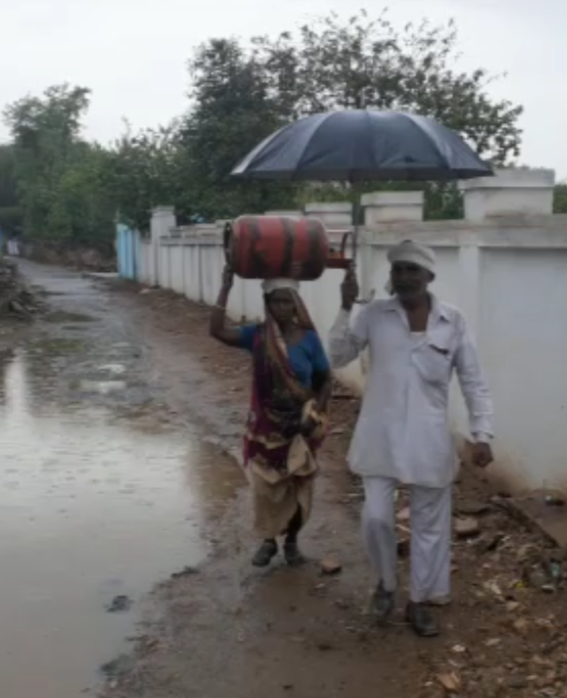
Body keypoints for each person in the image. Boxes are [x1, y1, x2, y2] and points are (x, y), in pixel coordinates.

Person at [327, 240, 495, 637]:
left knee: (431, 525)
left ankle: (419, 600)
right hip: (379, 435)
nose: (403, 277)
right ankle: (385, 583)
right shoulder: (373, 315)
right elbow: (336, 357)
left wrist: (482, 432)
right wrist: (345, 307)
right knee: (376, 518)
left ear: (428, 277)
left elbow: (473, 380)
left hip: (429, 439)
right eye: (398, 270)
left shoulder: (452, 322)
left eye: (411, 270)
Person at [210, 266, 333, 567]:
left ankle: (291, 542)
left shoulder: (309, 340)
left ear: (296, 304)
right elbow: (217, 331)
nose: (281, 308)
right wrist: (225, 288)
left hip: (300, 426)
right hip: (266, 426)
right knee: (265, 487)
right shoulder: (257, 336)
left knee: (298, 486)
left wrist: (315, 412)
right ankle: (268, 541)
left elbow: (325, 378)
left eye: (286, 301)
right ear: (267, 304)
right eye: (275, 302)